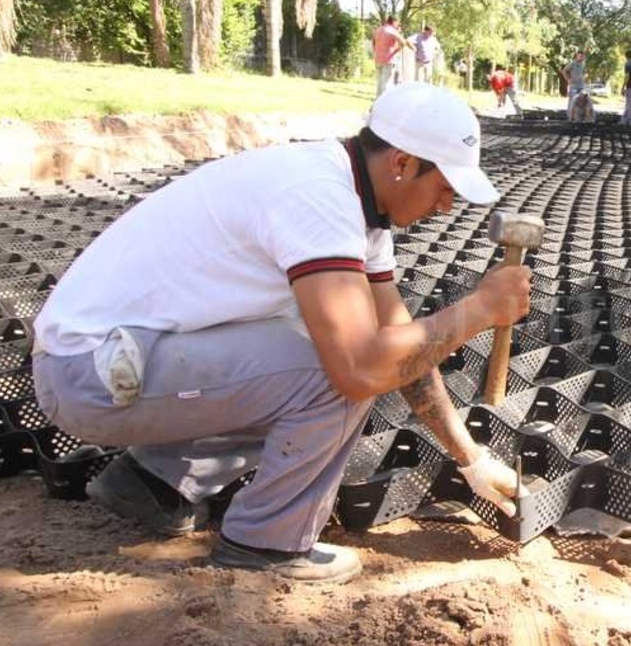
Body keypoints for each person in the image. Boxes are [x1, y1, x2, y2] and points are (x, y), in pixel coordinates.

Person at [30, 83, 532, 585]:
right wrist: (478, 310)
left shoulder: (359, 205)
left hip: (120, 361)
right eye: (445, 187)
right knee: (332, 367)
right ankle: (267, 542)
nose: (446, 206)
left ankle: (153, 482)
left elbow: (404, 346)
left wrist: (470, 460)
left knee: (336, 342)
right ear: (402, 164)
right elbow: (360, 368)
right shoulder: (318, 197)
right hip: (89, 376)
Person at [373, 16, 410, 97]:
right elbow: (403, 42)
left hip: (378, 58)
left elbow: (374, 43)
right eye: (397, 23)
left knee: (379, 83)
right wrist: (396, 50)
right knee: (386, 83)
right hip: (388, 59)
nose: (398, 25)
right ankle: (384, 104)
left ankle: (377, 104)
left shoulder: (378, 29)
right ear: (394, 22)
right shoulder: (392, 31)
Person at [562, 51, 588, 120]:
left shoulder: (583, 64)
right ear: (577, 56)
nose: (581, 57)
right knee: (572, 101)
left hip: (581, 85)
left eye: (582, 56)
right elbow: (564, 71)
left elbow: (585, 72)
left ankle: (579, 116)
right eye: (579, 56)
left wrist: (584, 76)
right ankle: (570, 116)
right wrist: (568, 79)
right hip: (573, 86)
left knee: (581, 101)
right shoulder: (573, 64)